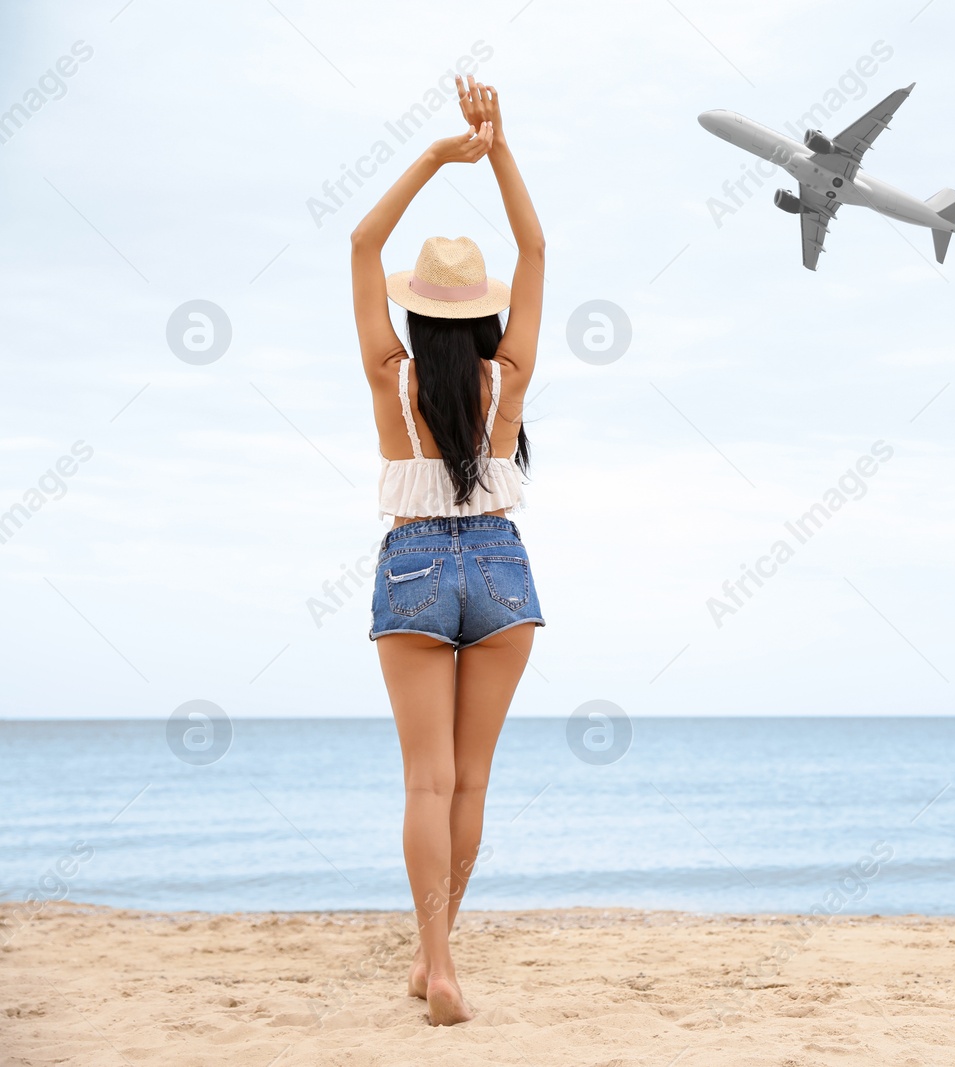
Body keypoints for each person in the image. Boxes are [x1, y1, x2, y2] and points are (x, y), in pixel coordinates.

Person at [350, 76, 545, 1026]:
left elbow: (360, 242)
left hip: (417, 562)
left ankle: (438, 962)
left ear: (420, 311)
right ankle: (441, 961)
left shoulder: (394, 378)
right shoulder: (509, 376)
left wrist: (437, 155)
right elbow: (538, 247)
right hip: (503, 567)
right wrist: (497, 145)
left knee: (425, 780)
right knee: (469, 781)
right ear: (481, 312)